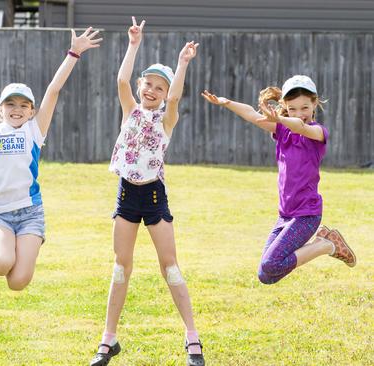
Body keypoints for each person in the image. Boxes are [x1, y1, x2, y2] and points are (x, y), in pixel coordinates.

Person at [0, 25, 102, 290]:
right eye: (10, 104)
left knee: (17, 282)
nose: (17, 109)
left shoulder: (34, 131)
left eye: (24, 105)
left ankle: (13, 243)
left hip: (30, 213)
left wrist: (74, 53)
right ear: (1, 109)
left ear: (32, 111)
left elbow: (53, 91)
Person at [90, 17, 204, 366]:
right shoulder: (130, 111)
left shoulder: (166, 119)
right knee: (121, 267)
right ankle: (108, 340)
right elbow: (122, 79)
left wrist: (182, 64)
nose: (152, 91)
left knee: (169, 267)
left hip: (154, 197)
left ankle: (192, 338)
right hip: (127, 195)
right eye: (149, 84)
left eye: (160, 87)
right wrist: (134, 44)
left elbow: (176, 96)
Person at [201, 74, 356, 286]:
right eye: (292, 109)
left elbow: (300, 127)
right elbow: (251, 114)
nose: (299, 114)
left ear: (314, 104)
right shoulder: (281, 131)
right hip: (285, 216)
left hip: (306, 215)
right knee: (265, 275)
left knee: (271, 264)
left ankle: (325, 245)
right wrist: (226, 102)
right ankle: (324, 242)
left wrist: (280, 118)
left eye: (304, 108)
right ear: (285, 106)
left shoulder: (318, 133)